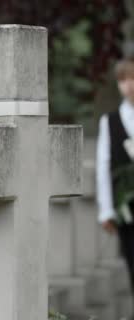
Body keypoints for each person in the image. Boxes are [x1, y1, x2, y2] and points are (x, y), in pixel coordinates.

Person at [97, 57, 134, 295]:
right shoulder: (108, 122)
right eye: (122, 80)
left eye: (131, 78)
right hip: (126, 208)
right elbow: (103, 165)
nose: (128, 85)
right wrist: (106, 210)